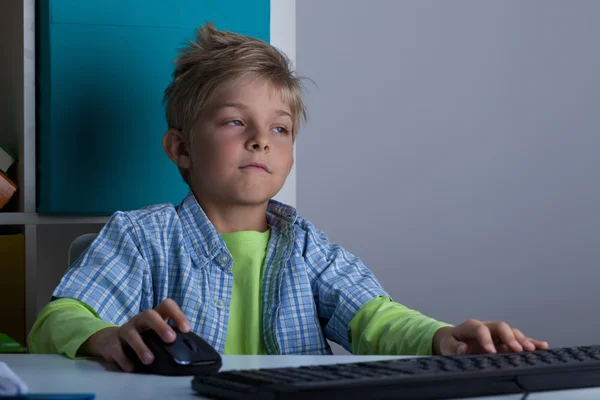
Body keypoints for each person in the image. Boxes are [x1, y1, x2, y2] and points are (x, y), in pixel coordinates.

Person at [28, 23, 547, 372]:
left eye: (280, 129)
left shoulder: (306, 247)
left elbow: (375, 318)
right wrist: (107, 338)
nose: (261, 140)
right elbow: (59, 319)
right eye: (236, 122)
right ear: (181, 147)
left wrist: (443, 337)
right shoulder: (141, 237)